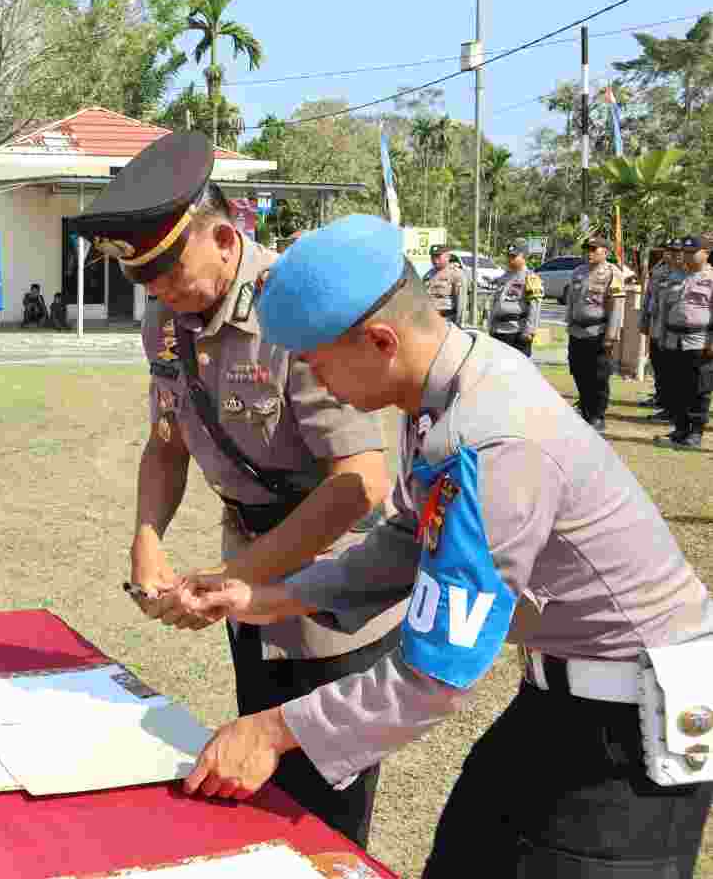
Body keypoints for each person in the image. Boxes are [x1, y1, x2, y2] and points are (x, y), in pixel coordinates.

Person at [173, 214, 712, 878]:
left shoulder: (492, 439)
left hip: (630, 731)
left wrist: (273, 730)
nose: (315, 382)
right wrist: (276, 597)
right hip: (558, 696)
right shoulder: (445, 387)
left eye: (315, 363)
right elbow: (409, 535)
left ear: (379, 341)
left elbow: (430, 676)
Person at [79, 131, 403, 849]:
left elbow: (360, 482)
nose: (159, 291)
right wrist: (146, 537)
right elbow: (167, 443)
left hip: (331, 589)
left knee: (324, 811)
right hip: (249, 584)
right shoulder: (168, 323)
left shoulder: (297, 312)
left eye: (170, 269)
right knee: (256, 783)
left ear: (225, 239)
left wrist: (234, 578)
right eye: (144, 279)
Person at [652, 234, 713, 451]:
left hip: (699, 340)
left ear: (706, 253)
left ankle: (695, 432)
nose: (686, 256)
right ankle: (680, 428)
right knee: (675, 386)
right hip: (672, 339)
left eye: (692, 252)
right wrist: (658, 334)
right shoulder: (675, 276)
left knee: (698, 388)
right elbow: (663, 307)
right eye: (685, 252)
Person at [564, 237, 625, 432]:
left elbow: (617, 306)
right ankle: (586, 408)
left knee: (598, 376)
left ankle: (597, 415)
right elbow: (571, 302)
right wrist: (569, 323)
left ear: (605, 252)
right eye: (586, 249)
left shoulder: (612, 274)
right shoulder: (578, 272)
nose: (589, 253)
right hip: (577, 331)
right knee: (579, 372)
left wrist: (611, 335)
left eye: (593, 249)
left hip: (598, 332)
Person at [642, 239, 684, 420]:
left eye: (676, 251)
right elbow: (649, 297)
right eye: (669, 251)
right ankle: (661, 396)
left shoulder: (685, 273)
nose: (672, 254)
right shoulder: (658, 271)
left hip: (673, 328)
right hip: (656, 323)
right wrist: (644, 321)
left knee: (671, 368)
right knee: (657, 362)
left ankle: (671, 405)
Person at [485, 243, 542, 358]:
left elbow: (535, 307)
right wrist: (490, 326)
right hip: (498, 330)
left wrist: (529, 331)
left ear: (523, 256)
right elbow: (497, 303)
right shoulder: (504, 277)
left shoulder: (530, 277)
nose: (510, 259)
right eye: (509, 256)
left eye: (514, 256)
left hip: (516, 332)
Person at [422, 244, 465, 324]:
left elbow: (460, 302)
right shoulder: (428, 274)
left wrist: (457, 323)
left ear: (447, 257)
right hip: (428, 318)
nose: (435, 260)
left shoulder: (456, 274)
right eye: (433, 257)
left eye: (438, 256)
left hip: (446, 319)